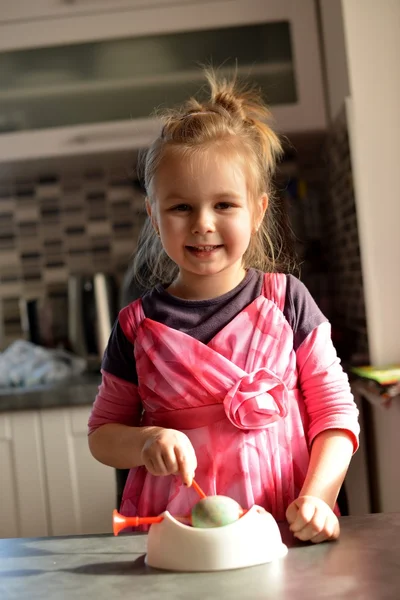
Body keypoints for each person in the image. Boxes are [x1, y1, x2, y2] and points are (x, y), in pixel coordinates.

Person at [88, 70, 359, 544]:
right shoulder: (138, 327)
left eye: (224, 205)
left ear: (257, 211)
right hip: (180, 541)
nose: (203, 224)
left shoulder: (288, 303)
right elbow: (103, 436)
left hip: (283, 528)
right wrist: (144, 440)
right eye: (181, 208)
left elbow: (335, 415)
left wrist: (318, 496)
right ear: (154, 215)